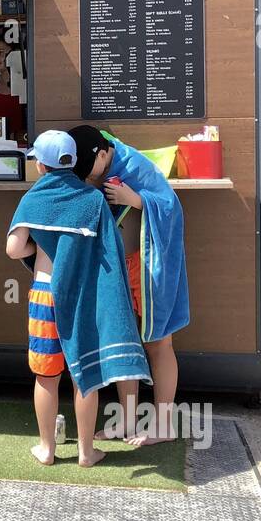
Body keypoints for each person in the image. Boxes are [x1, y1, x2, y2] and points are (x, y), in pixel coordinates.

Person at [5, 131, 150, 466]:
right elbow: (107, 252)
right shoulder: (93, 200)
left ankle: (46, 449)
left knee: (46, 376)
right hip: (83, 295)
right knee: (85, 375)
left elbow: (13, 249)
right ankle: (86, 452)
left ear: (40, 165)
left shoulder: (32, 199)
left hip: (44, 294)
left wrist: (38, 248)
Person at [69, 124, 190, 445]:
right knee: (124, 342)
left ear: (105, 153)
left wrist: (134, 199)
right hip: (118, 267)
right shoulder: (97, 166)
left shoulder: (133, 165)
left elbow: (171, 206)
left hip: (149, 269)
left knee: (159, 343)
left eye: (89, 170)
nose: (88, 177)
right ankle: (127, 420)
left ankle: (164, 424)